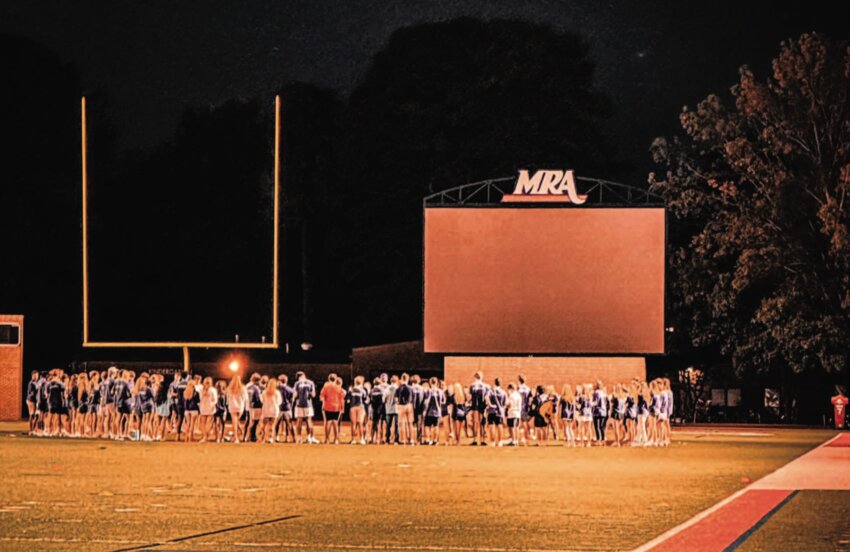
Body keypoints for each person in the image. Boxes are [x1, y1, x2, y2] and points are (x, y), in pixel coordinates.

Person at [293, 371, 318, 444]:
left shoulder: (297, 383)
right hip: (308, 404)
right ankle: (309, 437)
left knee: (299, 420)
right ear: (304, 375)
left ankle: (298, 438)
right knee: (308, 420)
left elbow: (295, 395)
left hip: (299, 404)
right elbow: (313, 395)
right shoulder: (310, 382)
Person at [319, 374, 345, 444]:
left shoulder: (326, 387)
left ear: (329, 379)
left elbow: (321, 397)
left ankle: (327, 439)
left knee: (328, 422)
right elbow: (342, 399)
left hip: (327, 406)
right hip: (336, 407)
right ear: (336, 379)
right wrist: (342, 408)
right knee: (335, 423)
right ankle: (336, 440)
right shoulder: (339, 388)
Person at [422, 377, 445, 445]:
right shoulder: (440, 391)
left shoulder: (428, 391)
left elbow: (425, 401)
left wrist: (424, 411)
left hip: (429, 411)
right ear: (437, 383)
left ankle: (428, 439)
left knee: (427, 426)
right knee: (436, 426)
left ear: (430, 383)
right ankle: (435, 440)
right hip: (437, 412)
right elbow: (443, 401)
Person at [226, 374, 249, 443]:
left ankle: (235, 436)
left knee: (235, 422)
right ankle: (235, 436)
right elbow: (246, 398)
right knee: (236, 421)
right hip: (240, 406)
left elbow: (228, 398)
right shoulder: (242, 388)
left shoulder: (229, 388)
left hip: (232, 406)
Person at [485, 378, 507, 446]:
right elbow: (505, 403)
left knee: (492, 426)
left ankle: (493, 441)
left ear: (494, 383)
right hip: (500, 411)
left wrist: (490, 404)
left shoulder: (491, 391)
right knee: (499, 426)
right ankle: (500, 441)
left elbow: (486, 397)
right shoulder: (503, 392)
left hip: (492, 411)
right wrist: (502, 408)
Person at [469, 372, 489, 446]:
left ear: (475, 377)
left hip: (475, 406)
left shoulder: (472, 386)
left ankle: (474, 439)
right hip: (482, 406)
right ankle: (482, 440)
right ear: (481, 377)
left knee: (475, 422)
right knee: (482, 423)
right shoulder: (485, 386)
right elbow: (487, 397)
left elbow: (470, 397)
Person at [346, 376, 368, 444]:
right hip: (360, 407)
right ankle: (361, 439)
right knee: (360, 423)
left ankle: (353, 439)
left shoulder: (350, 390)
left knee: (353, 424)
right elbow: (366, 400)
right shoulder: (363, 390)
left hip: (353, 407)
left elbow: (348, 401)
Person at [259, 378, 282, 443]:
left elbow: (262, 400)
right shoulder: (277, 392)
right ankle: (270, 438)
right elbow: (279, 402)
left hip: (266, 409)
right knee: (272, 425)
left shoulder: (264, 392)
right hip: (274, 410)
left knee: (264, 424)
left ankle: (263, 438)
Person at [395, 373, 415, 445]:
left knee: (402, 424)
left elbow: (396, 399)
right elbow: (413, 398)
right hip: (409, 405)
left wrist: (397, 406)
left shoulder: (398, 388)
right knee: (410, 423)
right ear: (408, 379)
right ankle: (412, 439)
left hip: (401, 406)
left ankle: (404, 440)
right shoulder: (411, 388)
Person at [276, 374, 295, 443]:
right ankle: (288, 438)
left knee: (276, 423)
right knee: (289, 424)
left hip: (279, 408)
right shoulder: (290, 389)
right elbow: (292, 399)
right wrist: (290, 406)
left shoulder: (277, 388)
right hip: (287, 407)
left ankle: (276, 437)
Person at [244, 373, 263, 442]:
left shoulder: (247, 386)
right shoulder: (255, 387)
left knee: (248, 421)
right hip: (255, 406)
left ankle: (246, 436)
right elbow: (258, 398)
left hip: (248, 406)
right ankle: (251, 436)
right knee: (254, 422)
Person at [369, 377, 386, 444]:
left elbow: (370, 400)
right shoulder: (382, 390)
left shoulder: (372, 390)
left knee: (374, 423)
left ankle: (372, 438)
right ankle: (379, 439)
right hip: (380, 408)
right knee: (380, 424)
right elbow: (383, 400)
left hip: (373, 408)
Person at [384, 375, 400, 444]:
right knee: (396, 425)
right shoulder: (398, 388)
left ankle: (387, 439)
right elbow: (398, 399)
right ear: (397, 381)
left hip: (388, 408)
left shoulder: (387, 388)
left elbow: (383, 399)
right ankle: (396, 440)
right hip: (396, 409)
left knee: (388, 425)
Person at [592, 381, 608, 446]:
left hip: (597, 411)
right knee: (602, 426)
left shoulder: (595, 393)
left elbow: (595, 402)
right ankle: (603, 440)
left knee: (596, 426)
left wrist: (590, 404)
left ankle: (598, 440)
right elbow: (606, 402)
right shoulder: (604, 393)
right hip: (604, 411)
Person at [26, 371, 40, 435]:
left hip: (35, 400)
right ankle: (31, 430)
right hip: (31, 400)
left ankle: (33, 430)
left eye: (37, 375)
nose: (36, 377)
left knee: (36, 415)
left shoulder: (36, 383)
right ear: (32, 376)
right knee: (32, 415)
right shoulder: (31, 383)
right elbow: (31, 393)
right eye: (35, 375)